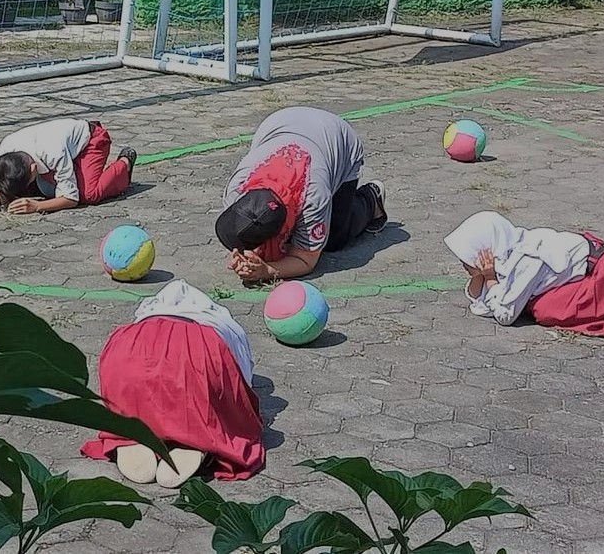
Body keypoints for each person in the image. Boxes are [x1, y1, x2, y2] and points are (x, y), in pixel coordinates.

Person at [80, 280, 265, 488]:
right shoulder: (223, 323)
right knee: (203, 404)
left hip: (129, 351)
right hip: (196, 356)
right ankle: (196, 441)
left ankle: (128, 436)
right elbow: (240, 378)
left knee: (133, 390)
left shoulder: (140, 319)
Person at [216, 107, 387, 283]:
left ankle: (371, 200)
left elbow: (306, 261)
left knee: (334, 240)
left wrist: (266, 270)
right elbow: (242, 226)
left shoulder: (314, 197)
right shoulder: (238, 187)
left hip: (338, 137)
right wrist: (245, 254)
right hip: (281, 122)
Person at [444, 211, 604, 335]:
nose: (463, 262)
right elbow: (481, 302)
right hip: (594, 268)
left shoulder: (525, 260)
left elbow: (505, 315)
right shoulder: (505, 250)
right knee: (538, 303)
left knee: (544, 309)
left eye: (467, 256)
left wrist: (490, 278)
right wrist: (482, 275)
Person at [0, 118, 136, 215]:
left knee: (88, 194)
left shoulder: (53, 151)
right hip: (63, 151)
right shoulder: (7, 146)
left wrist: (38, 206)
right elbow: (6, 174)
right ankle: (93, 173)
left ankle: (123, 164)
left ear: (33, 169)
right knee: (37, 189)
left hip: (91, 141)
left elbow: (71, 198)